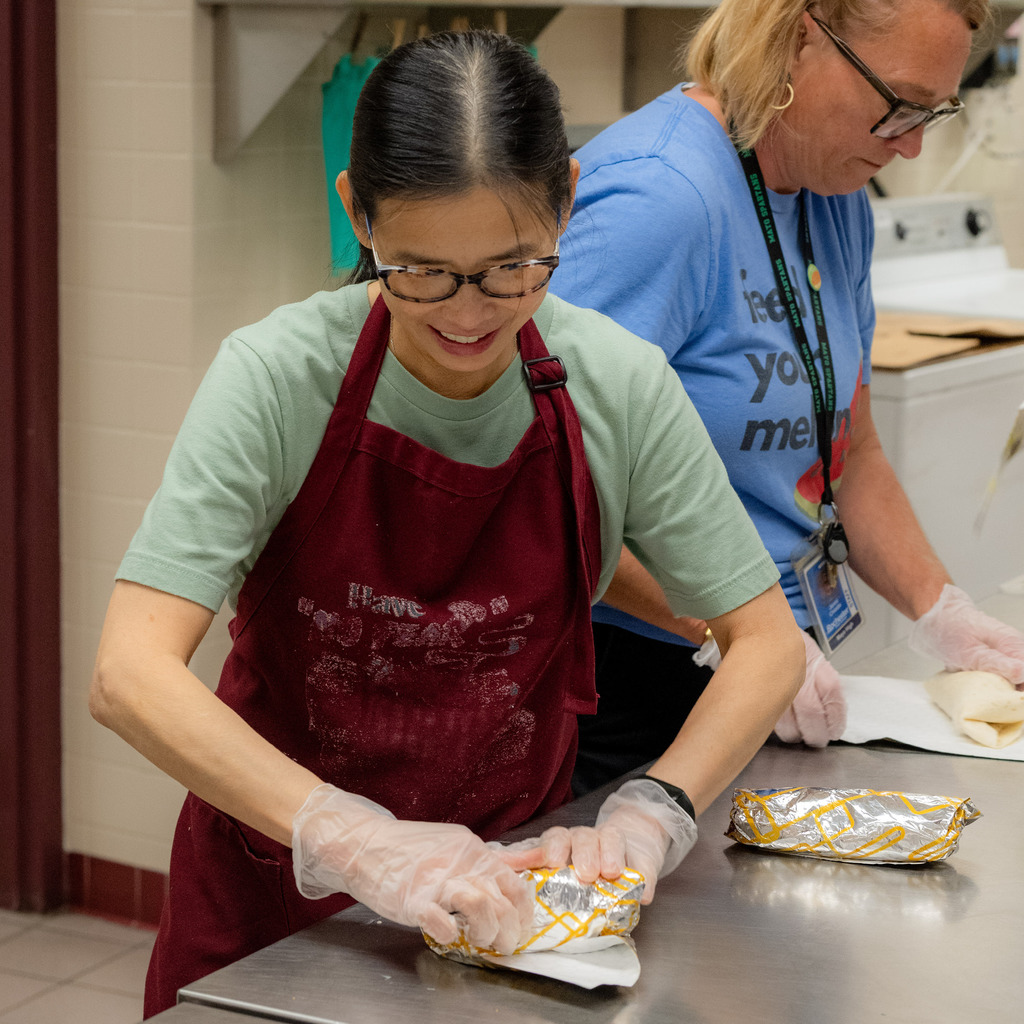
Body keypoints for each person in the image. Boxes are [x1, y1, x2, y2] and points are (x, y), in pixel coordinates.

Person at [89, 30, 805, 1018]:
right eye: (419, 270)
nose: (468, 316)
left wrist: (654, 811)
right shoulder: (276, 377)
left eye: (511, 269)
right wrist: (350, 837)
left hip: (514, 921)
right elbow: (129, 674)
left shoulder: (617, 386)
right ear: (356, 215)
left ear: (566, 200)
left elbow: (764, 644)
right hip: (270, 905)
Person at [551, 0, 1024, 795]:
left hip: (766, 664)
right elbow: (553, 484)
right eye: (897, 105)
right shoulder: (658, 200)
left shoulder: (833, 195)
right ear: (801, 38)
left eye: (931, 114)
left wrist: (942, 610)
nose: (910, 145)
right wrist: (737, 632)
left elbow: (853, 450)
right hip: (635, 677)